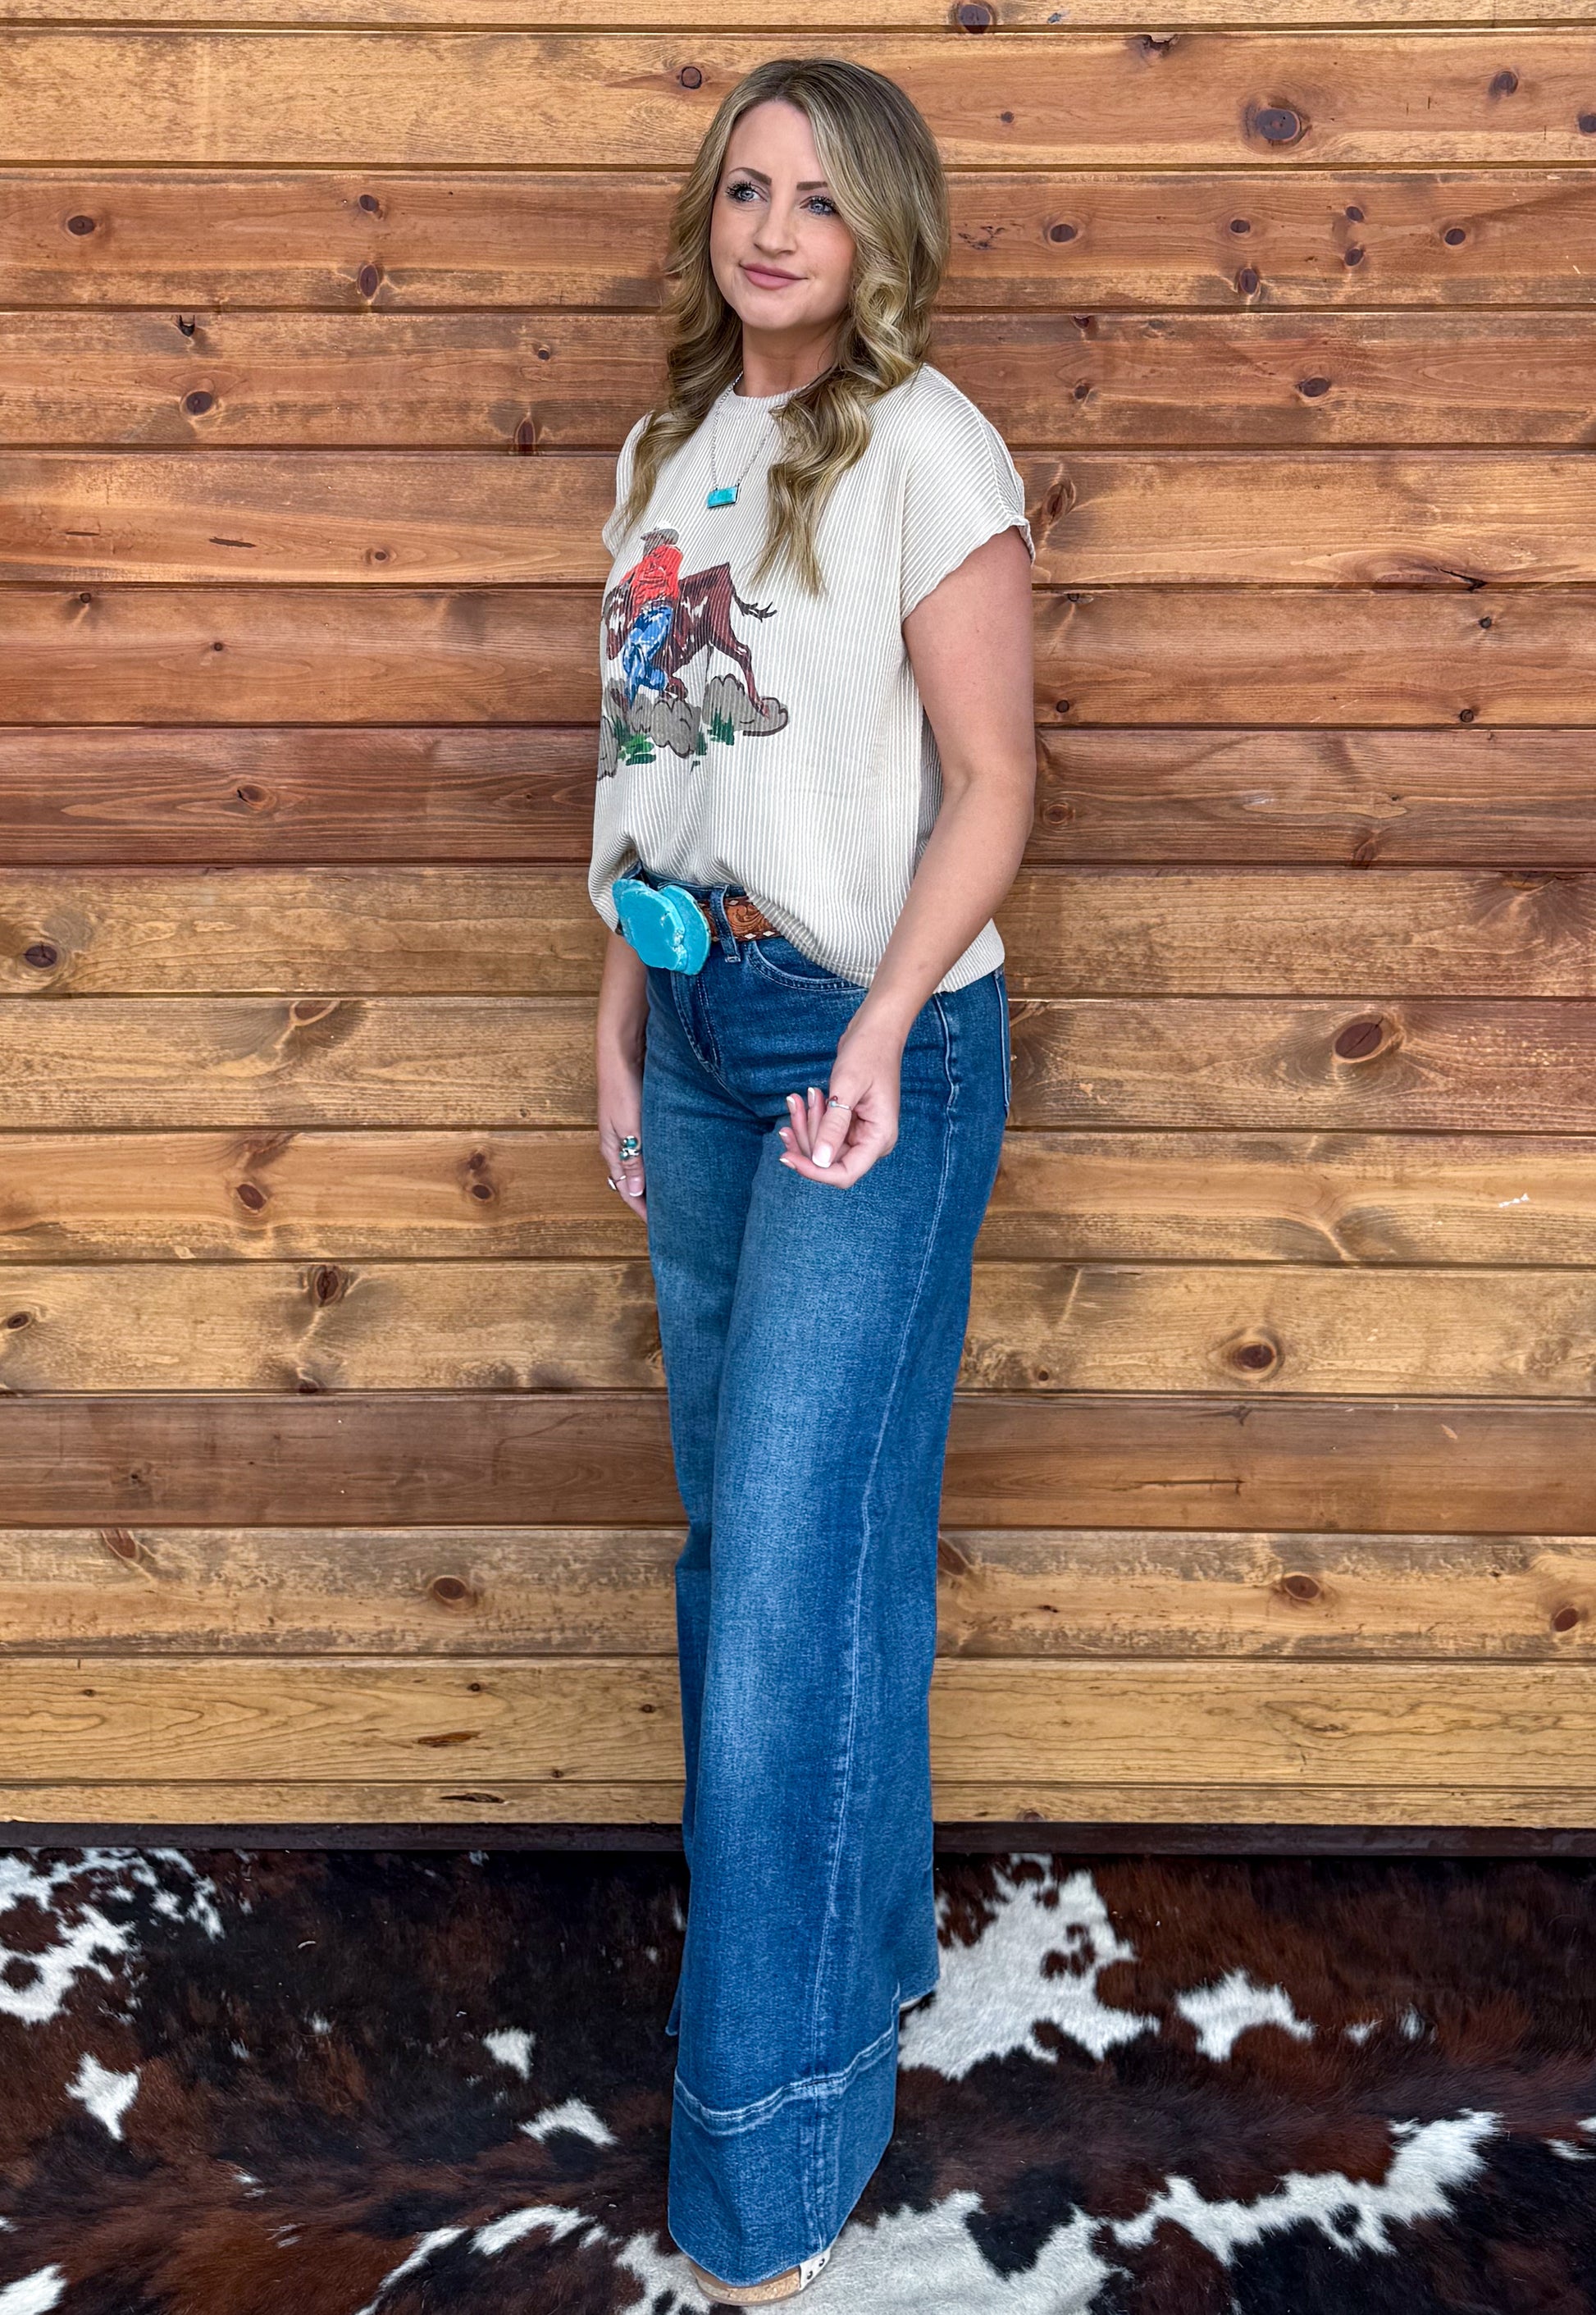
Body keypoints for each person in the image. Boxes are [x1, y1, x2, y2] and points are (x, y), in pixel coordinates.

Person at [589, 54, 1037, 2305]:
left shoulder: (926, 446)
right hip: (694, 1028)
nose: (773, 228)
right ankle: (856, 1970)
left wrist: (871, 1032)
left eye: (819, 198)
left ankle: (766, 2164)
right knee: (758, 1547)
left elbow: (995, 782)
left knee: (782, 1584)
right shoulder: (665, 449)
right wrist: (618, 1022)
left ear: (881, 237)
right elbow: (652, 766)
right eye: (746, 187)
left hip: (868, 1044)